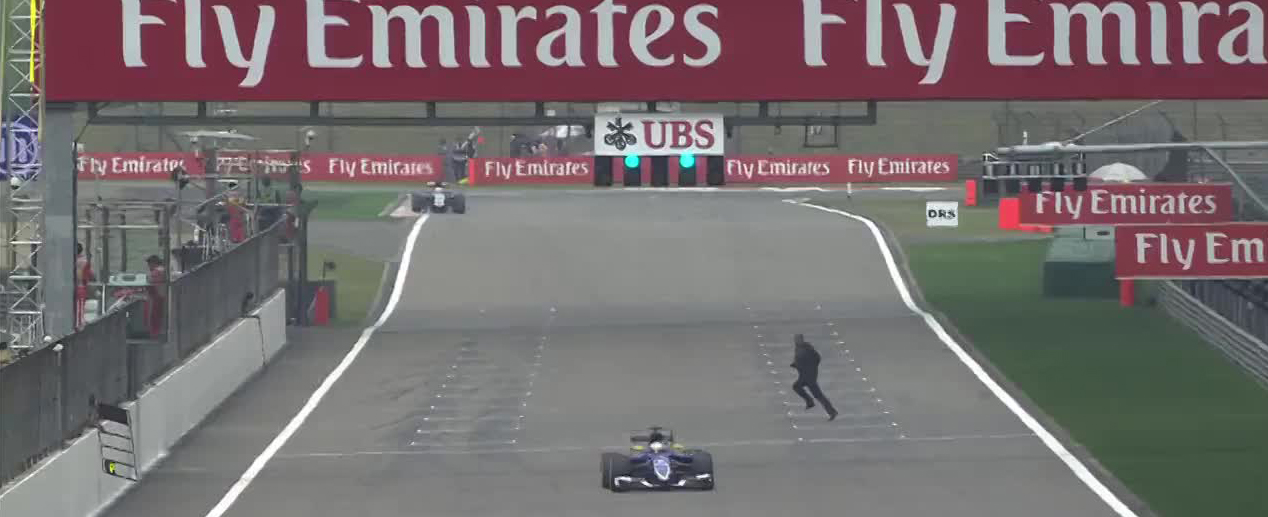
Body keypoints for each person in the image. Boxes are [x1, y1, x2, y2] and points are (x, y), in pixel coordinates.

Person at [791, 333, 838, 420]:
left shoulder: (807, 348)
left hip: (809, 376)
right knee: (796, 386)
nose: (796, 341)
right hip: (804, 375)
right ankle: (810, 402)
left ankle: (832, 411)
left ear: (802, 339)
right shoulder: (798, 348)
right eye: (795, 339)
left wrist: (810, 367)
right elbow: (800, 360)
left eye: (798, 339)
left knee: (817, 394)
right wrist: (796, 364)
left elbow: (817, 358)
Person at [144, 255, 167, 338]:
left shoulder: (157, 272)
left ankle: (154, 334)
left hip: (157, 297)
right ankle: (156, 333)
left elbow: (149, 280)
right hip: (161, 296)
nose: (148, 266)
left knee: (154, 317)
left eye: (149, 264)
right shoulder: (163, 269)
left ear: (153, 263)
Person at [75, 242, 95, 328]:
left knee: (76, 306)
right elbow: (91, 275)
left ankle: (78, 321)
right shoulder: (83, 262)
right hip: (80, 287)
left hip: (71, 287)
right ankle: (79, 323)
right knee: (80, 305)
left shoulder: (70, 261)